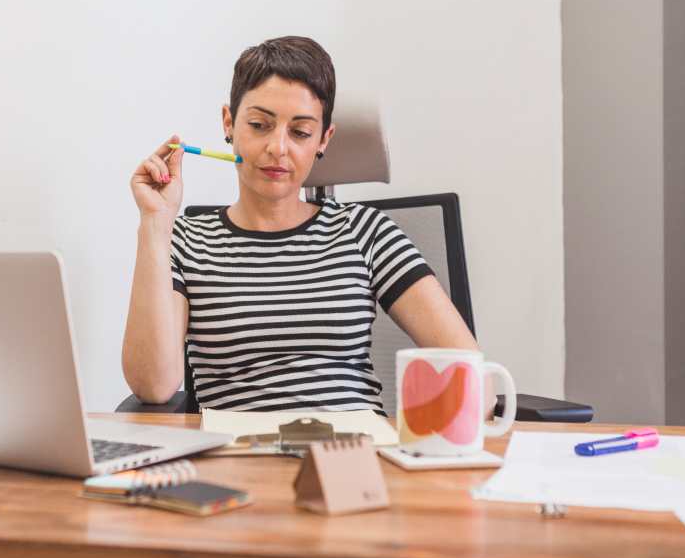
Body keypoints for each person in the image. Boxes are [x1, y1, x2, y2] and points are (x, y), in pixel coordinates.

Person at [122, 36, 486, 416]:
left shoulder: (367, 232)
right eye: (260, 125)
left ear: (323, 140)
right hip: (241, 463)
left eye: (300, 132)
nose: (278, 147)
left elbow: (472, 373)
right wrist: (155, 223)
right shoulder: (186, 241)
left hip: (355, 458)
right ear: (229, 123)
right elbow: (154, 385)